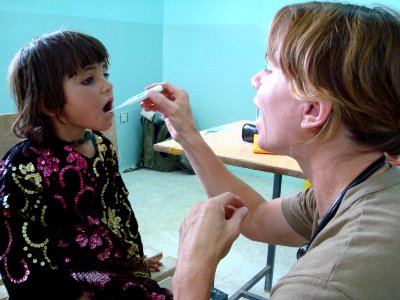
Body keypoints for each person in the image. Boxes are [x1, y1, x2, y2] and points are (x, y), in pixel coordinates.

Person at [142, 1, 400, 299]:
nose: (255, 80)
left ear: (313, 110)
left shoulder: (323, 285)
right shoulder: (364, 184)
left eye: (269, 69)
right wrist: (187, 134)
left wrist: (191, 267)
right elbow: (258, 217)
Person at [0, 31, 172, 299]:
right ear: (48, 102)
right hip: (67, 284)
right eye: (89, 79)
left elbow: (119, 209)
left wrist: (134, 257)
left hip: (111, 266)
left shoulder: (101, 147)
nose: (107, 86)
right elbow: (18, 252)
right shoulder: (23, 167)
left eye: (106, 74)